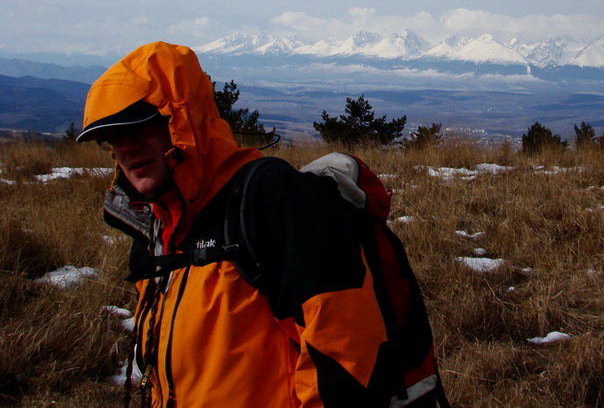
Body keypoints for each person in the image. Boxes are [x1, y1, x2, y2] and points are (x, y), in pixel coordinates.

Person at [78, 41, 444, 407]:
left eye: (139, 128)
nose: (126, 148)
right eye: (112, 138)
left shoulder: (269, 198)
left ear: (182, 120)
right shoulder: (157, 226)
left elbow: (347, 352)